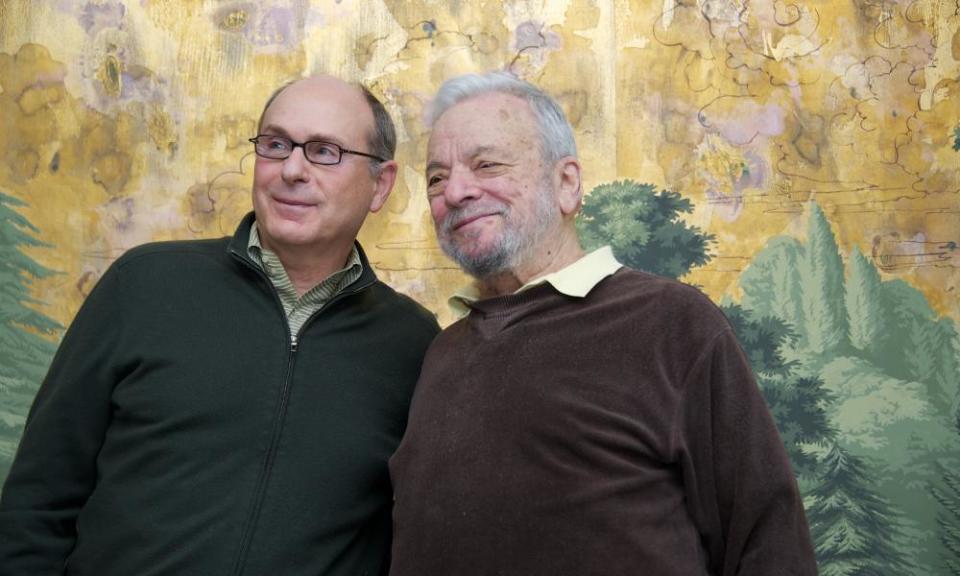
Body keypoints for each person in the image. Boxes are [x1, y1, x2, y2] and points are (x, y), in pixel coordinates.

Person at [0, 75, 439, 576]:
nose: (292, 169)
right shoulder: (144, 285)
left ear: (379, 184)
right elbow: (37, 502)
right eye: (275, 145)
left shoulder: (415, 345)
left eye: (324, 151)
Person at [388, 72, 817, 575]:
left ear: (567, 184)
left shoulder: (672, 324)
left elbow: (767, 542)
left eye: (487, 164)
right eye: (436, 177)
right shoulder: (442, 352)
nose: (455, 191)